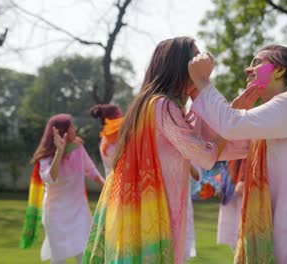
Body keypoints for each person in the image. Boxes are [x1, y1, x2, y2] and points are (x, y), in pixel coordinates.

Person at [82, 37, 226, 264]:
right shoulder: (163, 106)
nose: (201, 62)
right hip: (155, 214)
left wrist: (198, 91)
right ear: (180, 65)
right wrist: (227, 128)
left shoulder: (150, 104)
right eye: (195, 58)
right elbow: (205, 156)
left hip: (144, 210)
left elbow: (200, 136)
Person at [188, 45, 287, 263]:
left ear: (279, 70)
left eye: (257, 62)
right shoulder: (271, 120)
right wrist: (229, 107)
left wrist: (202, 83)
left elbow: (232, 125)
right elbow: (215, 149)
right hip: (281, 235)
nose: (248, 69)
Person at [19, 114, 105, 264]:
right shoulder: (45, 157)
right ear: (63, 131)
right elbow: (50, 178)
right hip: (55, 214)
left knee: (84, 255)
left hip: (79, 212)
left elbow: (92, 171)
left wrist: (110, 189)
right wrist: (59, 152)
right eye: (72, 126)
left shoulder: (78, 148)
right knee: (58, 259)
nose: (75, 129)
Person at [90, 104, 123, 176]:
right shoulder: (118, 138)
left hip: (111, 184)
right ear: (115, 116)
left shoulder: (104, 139)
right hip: (120, 182)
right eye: (120, 114)